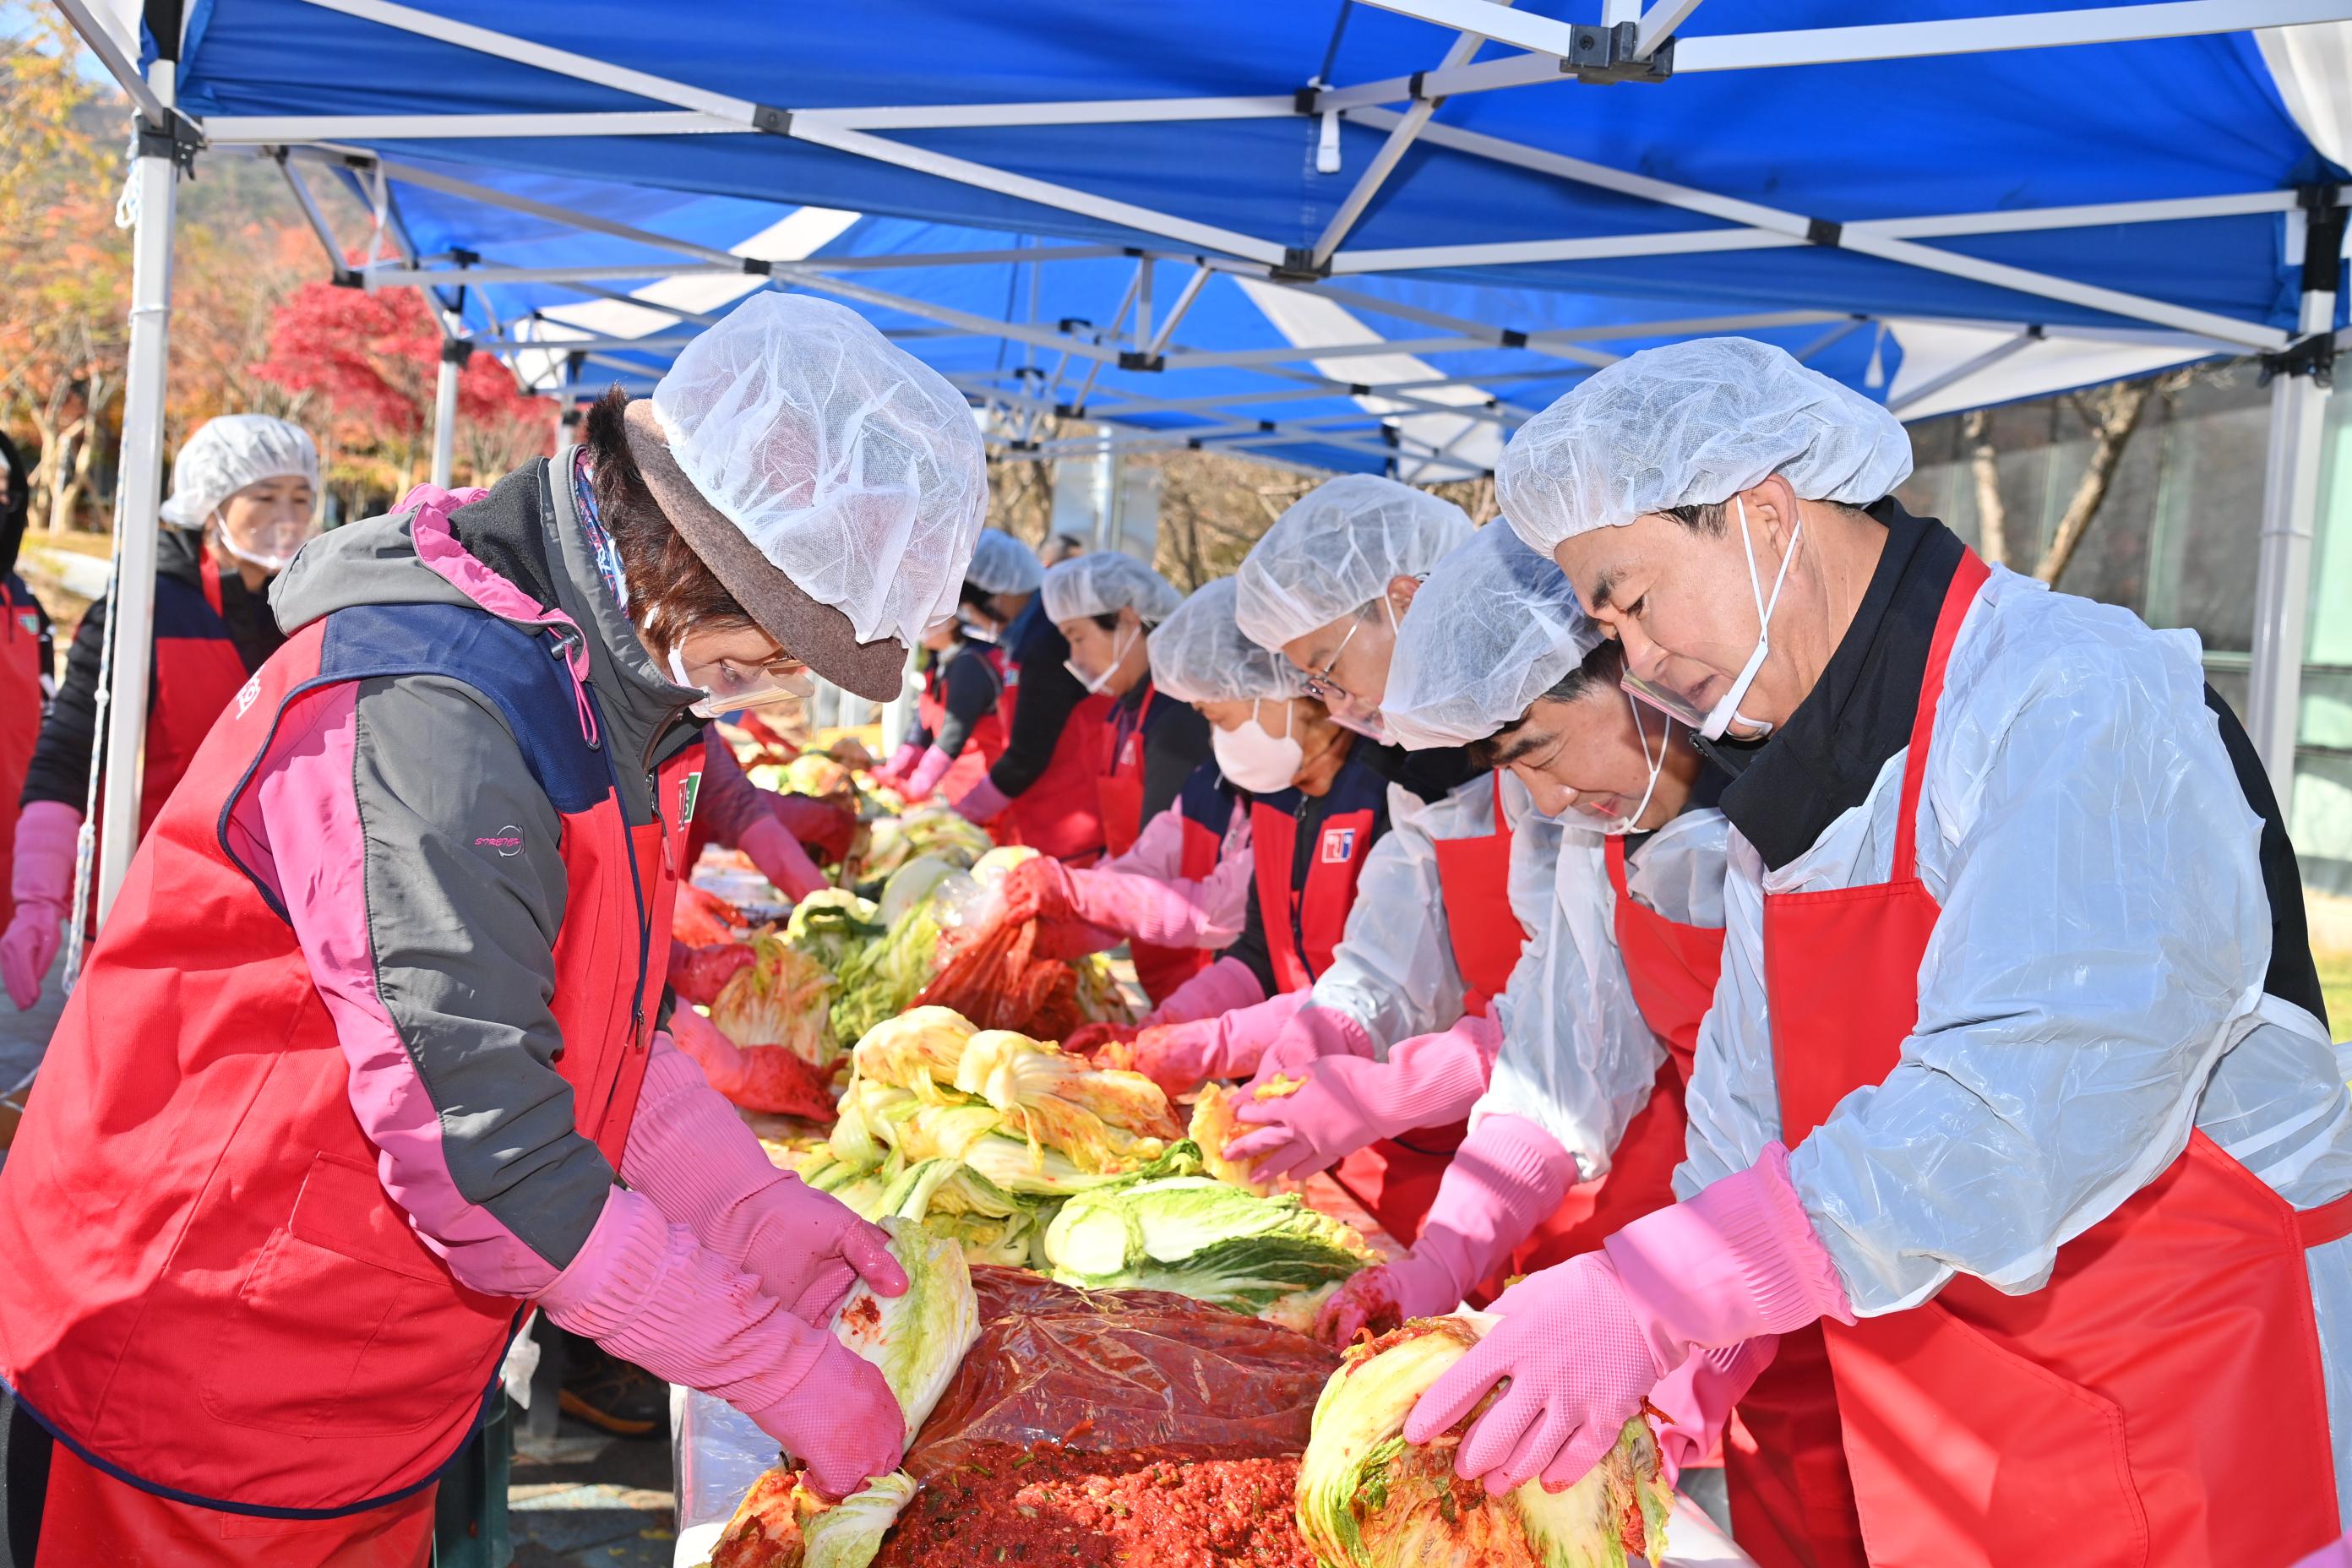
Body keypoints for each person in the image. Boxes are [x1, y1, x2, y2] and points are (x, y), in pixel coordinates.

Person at [0, 292, 988, 1564]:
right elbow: (485, 1147)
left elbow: (585, 1021)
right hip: (211, 1350)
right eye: (760, 655)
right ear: (689, 563)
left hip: (358, 1355)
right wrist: (767, 1365)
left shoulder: (602, 677)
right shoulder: (435, 709)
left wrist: (743, 1208)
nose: (759, 692)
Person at [1407, 337, 2352, 1565]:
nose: (1637, 663)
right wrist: (1687, 1351)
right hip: (1965, 1439)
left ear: (1760, 513)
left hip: (2202, 1410)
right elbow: (1749, 1135)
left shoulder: (2071, 695)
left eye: (1632, 601)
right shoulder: (1794, 802)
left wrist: (1663, 1294)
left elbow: (2017, 1114)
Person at [0, 414, 308, 1010]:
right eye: (266, 496)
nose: (288, 516)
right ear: (208, 506)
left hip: (260, 922)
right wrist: (38, 899)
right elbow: (66, 757)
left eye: (301, 497)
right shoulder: (142, 610)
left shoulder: (303, 616)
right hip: (134, 911)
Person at [996, 578, 1288, 1006]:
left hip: (1232, 995)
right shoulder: (1208, 778)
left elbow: (1220, 907)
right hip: (1187, 987)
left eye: (1216, 715)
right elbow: (1148, 858)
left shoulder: (1308, 797)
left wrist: (1080, 894)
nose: (1213, 735)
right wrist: (1070, 923)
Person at [1036, 553, 1208, 999]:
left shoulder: (1175, 714)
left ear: (1128, 620)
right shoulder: (1123, 711)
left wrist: (1089, 909)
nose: (1074, 657)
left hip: (1192, 956)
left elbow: (1163, 848)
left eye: (1077, 638)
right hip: (1148, 941)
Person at [945, 543, 1107, 860]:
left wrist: (964, 812)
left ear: (999, 595)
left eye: (971, 608)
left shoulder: (1048, 643)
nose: (973, 619)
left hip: (1072, 822)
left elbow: (1027, 755)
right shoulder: (1026, 638)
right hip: (1038, 814)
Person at [869, 531, 1037, 803]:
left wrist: (919, 784)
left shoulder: (970, 665)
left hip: (980, 788)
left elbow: (953, 733)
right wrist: (897, 767)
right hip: (954, 788)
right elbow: (921, 726)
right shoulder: (940, 663)